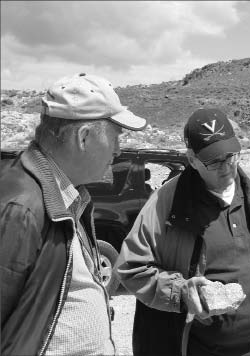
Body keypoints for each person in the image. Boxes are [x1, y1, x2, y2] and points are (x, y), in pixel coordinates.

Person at [115, 108, 250, 356]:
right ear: (191, 159)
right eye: (214, 160)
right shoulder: (166, 203)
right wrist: (180, 293)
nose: (226, 167)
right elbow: (131, 268)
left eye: (231, 155)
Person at [0, 73, 147, 355]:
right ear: (83, 138)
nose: (118, 150)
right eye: (115, 137)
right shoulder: (20, 208)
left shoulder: (68, 195)